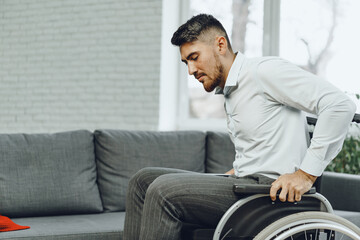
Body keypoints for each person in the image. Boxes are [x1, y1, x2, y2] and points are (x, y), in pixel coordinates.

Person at [123, 14, 356, 240]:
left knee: (163, 190)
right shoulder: (231, 91)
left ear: (220, 45)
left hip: (268, 195)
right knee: (142, 180)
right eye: (186, 62)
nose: (190, 70)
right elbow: (263, 144)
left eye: (194, 57)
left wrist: (305, 175)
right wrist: (238, 169)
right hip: (247, 184)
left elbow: (339, 104)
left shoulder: (263, 71)